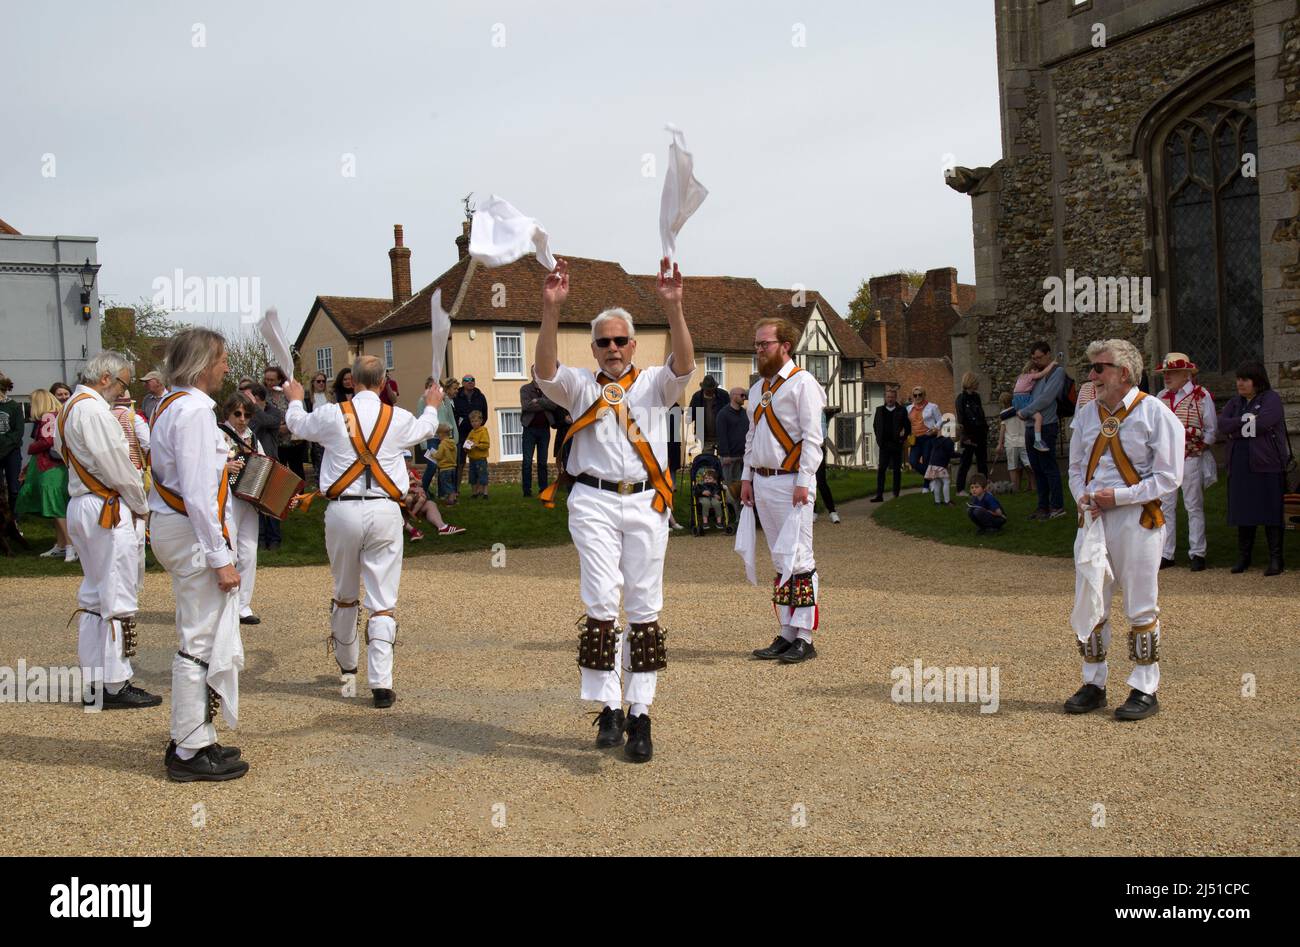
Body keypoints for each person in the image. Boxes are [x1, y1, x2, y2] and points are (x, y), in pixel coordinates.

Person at [535, 257, 695, 763]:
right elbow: (543, 371)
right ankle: (608, 708)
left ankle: (642, 714)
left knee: (645, 608)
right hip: (593, 501)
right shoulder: (579, 385)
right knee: (602, 603)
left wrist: (674, 308)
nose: (612, 349)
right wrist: (550, 309)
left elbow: (686, 365)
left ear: (633, 344)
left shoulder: (653, 384)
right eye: (603, 341)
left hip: (648, 501)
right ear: (594, 348)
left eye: (620, 340)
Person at [284, 356, 443, 709]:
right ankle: (382, 685)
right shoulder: (398, 417)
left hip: (342, 510)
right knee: (382, 600)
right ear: (384, 382)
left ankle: (347, 666)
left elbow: (296, 424)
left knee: (344, 592)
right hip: (386, 510)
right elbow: (427, 428)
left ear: (352, 382)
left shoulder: (331, 414)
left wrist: (295, 395)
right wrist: (432, 403)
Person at [148, 328, 249, 781]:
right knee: (200, 638)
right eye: (222, 358)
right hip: (190, 533)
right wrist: (219, 556)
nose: (226, 367)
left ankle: (197, 735)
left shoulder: (173, 405)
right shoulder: (191, 411)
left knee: (200, 632)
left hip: (179, 529)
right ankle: (189, 751)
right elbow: (196, 491)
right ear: (203, 362)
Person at [1065, 338, 1183, 722]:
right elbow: (1075, 467)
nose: (1092, 375)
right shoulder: (1086, 415)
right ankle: (1093, 683)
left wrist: (1120, 496)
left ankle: (1145, 687)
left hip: (1137, 520)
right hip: (1094, 520)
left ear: (1124, 373)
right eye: (1092, 368)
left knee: (1141, 605)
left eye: (1099, 368)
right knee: (1092, 600)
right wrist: (1083, 497)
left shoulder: (1155, 413)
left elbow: (1168, 478)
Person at [54, 352, 159, 710]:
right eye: (122, 384)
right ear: (105, 379)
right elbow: (119, 465)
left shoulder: (69, 406)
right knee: (116, 592)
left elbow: (59, 449)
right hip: (105, 507)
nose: (122, 393)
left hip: (83, 504)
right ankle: (115, 683)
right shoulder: (94, 410)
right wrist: (141, 504)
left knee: (95, 594)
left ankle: (95, 680)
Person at [743, 316, 826, 666]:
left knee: (799, 557)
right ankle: (787, 631)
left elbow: (813, 437)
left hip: (792, 481)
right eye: (757, 344)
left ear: (785, 346)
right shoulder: (756, 389)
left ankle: (805, 637)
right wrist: (746, 477)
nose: (759, 350)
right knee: (780, 558)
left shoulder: (802, 383)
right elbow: (751, 436)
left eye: (766, 344)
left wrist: (805, 480)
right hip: (762, 481)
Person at [1218, 362, 1288, 576]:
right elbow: (1222, 424)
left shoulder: (1271, 399)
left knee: (1271, 511)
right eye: (1239, 379)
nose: (1240, 383)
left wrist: (1236, 428)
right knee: (1244, 510)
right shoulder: (1235, 402)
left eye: (1245, 379)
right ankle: (1244, 557)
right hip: (1240, 464)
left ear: (1257, 381)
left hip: (1267, 463)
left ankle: (1276, 559)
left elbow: (1264, 423)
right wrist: (1244, 422)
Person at [1153, 353, 1217, 572]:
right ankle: (1166, 553)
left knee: (1193, 505)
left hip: (1191, 458)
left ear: (1185, 374)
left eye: (1171, 373)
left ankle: (1197, 553)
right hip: (1166, 460)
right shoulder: (1161, 397)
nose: (1167, 377)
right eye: (1165, 373)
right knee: (1166, 506)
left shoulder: (1201, 395)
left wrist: (1199, 446)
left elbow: (1211, 429)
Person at [218, 393, 264, 625]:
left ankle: (243, 606)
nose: (242, 419)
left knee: (249, 552)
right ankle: (226, 604)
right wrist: (224, 467)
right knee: (230, 551)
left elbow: (265, 465)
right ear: (228, 413)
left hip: (249, 499)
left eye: (247, 414)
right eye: (237, 413)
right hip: (226, 499)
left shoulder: (253, 437)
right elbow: (201, 463)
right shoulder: (218, 434)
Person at [16, 389, 73, 560]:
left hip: (50, 467)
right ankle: (62, 544)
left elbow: (47, 441)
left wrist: (31, 448)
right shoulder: (58, 414)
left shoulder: (48, 416)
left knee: (55, 506)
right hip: (53, 466)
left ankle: (70, 545)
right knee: (55, 507)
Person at [1015, 342, 1068, 520]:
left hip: (1046, 425)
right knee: (1037, 468)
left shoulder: (1056, 372)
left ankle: (1057, 506)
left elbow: (1047, 398)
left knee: (1048, 467)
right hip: (1031, 426)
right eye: (1034, 358)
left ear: (1048, 354)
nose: (1036, 361)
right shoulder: (1034, 374)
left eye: (1039, 357)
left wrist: (1025, 411)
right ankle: (1042, 507)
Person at [239, 382, 285, 551]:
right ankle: (260, 538)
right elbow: (248, 430)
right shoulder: (247, 414)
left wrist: (254, 407)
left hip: (271, 460)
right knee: (254, 503)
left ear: (257, 398)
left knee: (271, 504)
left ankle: (274, 540)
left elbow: (267, 423)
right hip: (252, 462)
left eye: (247, 397)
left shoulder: (273, 412)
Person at [519, 368, 559, 497]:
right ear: (532, 373)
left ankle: (543, 489)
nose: (537, 374)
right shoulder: (525, 389)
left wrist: (538, 401)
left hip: (544, 430)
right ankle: (527, 491)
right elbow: (526, 406)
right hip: (529, 430)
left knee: (542, 462)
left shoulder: (548, 388)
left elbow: (553, 405)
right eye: (534, 371)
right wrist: (544, 403)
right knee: (527, 462)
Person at [871, 384, 910, 502]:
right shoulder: (879, 410)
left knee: (897, 470)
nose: (890, 399)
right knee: (881, 470)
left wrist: (902, 440)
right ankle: (879, 495)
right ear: (885, 398)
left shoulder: (901, 410)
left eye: (892, 397)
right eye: (888, 397)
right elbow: (875, 426)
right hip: (884, 445)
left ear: (895, 398)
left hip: (896, 445)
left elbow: (908, 428)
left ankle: (896, 494)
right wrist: (879, 441)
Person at [1011, 358, 1057, 452]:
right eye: (1035, 369)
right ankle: (1038, 440)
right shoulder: (1030, 376)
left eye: (1037, 370)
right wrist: (1052, 364)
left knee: (1028, 416)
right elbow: (1043, 373)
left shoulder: (1021, 376)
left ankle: (1036, 439)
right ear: (1030, 369)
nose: (1036, 371)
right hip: (1024, 398)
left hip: (1017, 399)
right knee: (1038, 418)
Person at [954, 371, 989, 494]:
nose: (978, 384)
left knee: (982, 463)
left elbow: (981, 414)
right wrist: (965, 436)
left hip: (980, 434)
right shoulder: (961, 398)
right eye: (976, 382)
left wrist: (985, 429)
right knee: (965, 462)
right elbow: (961, 418)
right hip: (969, 435)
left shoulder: (976, 397)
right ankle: (960, 488)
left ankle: (983, 487)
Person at [716, 386, 749, 506]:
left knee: (740, 486)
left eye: (745, 395)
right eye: (742, 395)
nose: (744, 398)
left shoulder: (745, 413)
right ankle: (727, 513)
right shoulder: (723, 414)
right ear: (733, 396)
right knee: (728, 487)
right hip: (729, 458)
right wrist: (725, 455)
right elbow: (721, 435)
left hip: (743, 457)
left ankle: (739, 514)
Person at [995, 392, 1033, 494]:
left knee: (1012, 467)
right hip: (1023, 441)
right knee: (1028, 465)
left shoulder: (1004, 415)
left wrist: (999, 444)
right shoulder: (1020, 411)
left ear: (1002, 403)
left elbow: (1003, 430)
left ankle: (1015, 489)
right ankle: (1032, 485)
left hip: (1011, 443)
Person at [453, 374, 488, 486]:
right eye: (467, 380)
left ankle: (478, 489)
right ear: (462, 383)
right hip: (462, 434)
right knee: (460, 462)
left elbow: (484, 414)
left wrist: (478, 429)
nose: (470, 382)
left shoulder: (480, 396)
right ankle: (456, 489)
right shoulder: (456, 396)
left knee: (477, 461)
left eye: (472, 380)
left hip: (476, 433)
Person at [906, 386, 943, 488]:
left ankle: (926, 486)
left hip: (928, 437)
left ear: (924, 395)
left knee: (927, 461)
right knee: (913, 461)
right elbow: (906, 423)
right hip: (915, 439)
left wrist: (934, 429)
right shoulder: (909, 408)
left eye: (920, 394)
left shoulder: (932, 407)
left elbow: (941, 420)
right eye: (915, 395)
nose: (917, 397)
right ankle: (933, 478)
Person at [0, 372, 23, 520]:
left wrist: (4, 446)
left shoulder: (13, 406)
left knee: (14, 487)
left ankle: (15, 519)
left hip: (11, 453)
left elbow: (18, 432)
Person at [303, 370, 333, 484]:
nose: (321, 384)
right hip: (316, 434)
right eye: (318, 381)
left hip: (329, 433)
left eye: (323, 381)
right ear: (313, 383)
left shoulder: (330, 397)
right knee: (318, 459)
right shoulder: (308, 399)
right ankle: (319, 483)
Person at [688, 374, 728, 456]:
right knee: (708, 461)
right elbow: (690, 415)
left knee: (723, 462)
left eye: (712, 389)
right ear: (703, 388)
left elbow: (729, 412)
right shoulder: (697, 397)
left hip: (722, 435)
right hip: (705, 438)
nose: (710, 391)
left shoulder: (723, 396)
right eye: (707, 390)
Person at [815, 405, 842, 523]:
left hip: (819, 449)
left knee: (821, 482)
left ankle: (832, 511)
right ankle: (813, 511)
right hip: (804, 450)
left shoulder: (823, 413)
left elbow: (837, 408)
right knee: (808, 482)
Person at [464, 410, 491, 499]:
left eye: (476, 421)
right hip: (472, 458)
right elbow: (467, 443)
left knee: (483, 476)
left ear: (481, 421)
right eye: (472, 421)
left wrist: (477, 445)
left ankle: (485, 493)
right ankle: (474, 493)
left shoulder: (483, 431)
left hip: (481, 459)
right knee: (473, 477)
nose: (474, 423)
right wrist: (466, 448)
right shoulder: (471, 432)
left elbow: (486, 445)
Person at [433, 423, 459, 504]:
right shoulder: (453, 443)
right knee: (452, 484)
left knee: (447, 485)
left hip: (444, 468)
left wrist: (433, 454)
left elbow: (439, 455)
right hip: (453, 468)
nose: (438, 436)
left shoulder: (442, 444)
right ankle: (454, 499)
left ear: (442, 434)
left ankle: (450, 501)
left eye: (438, 434)